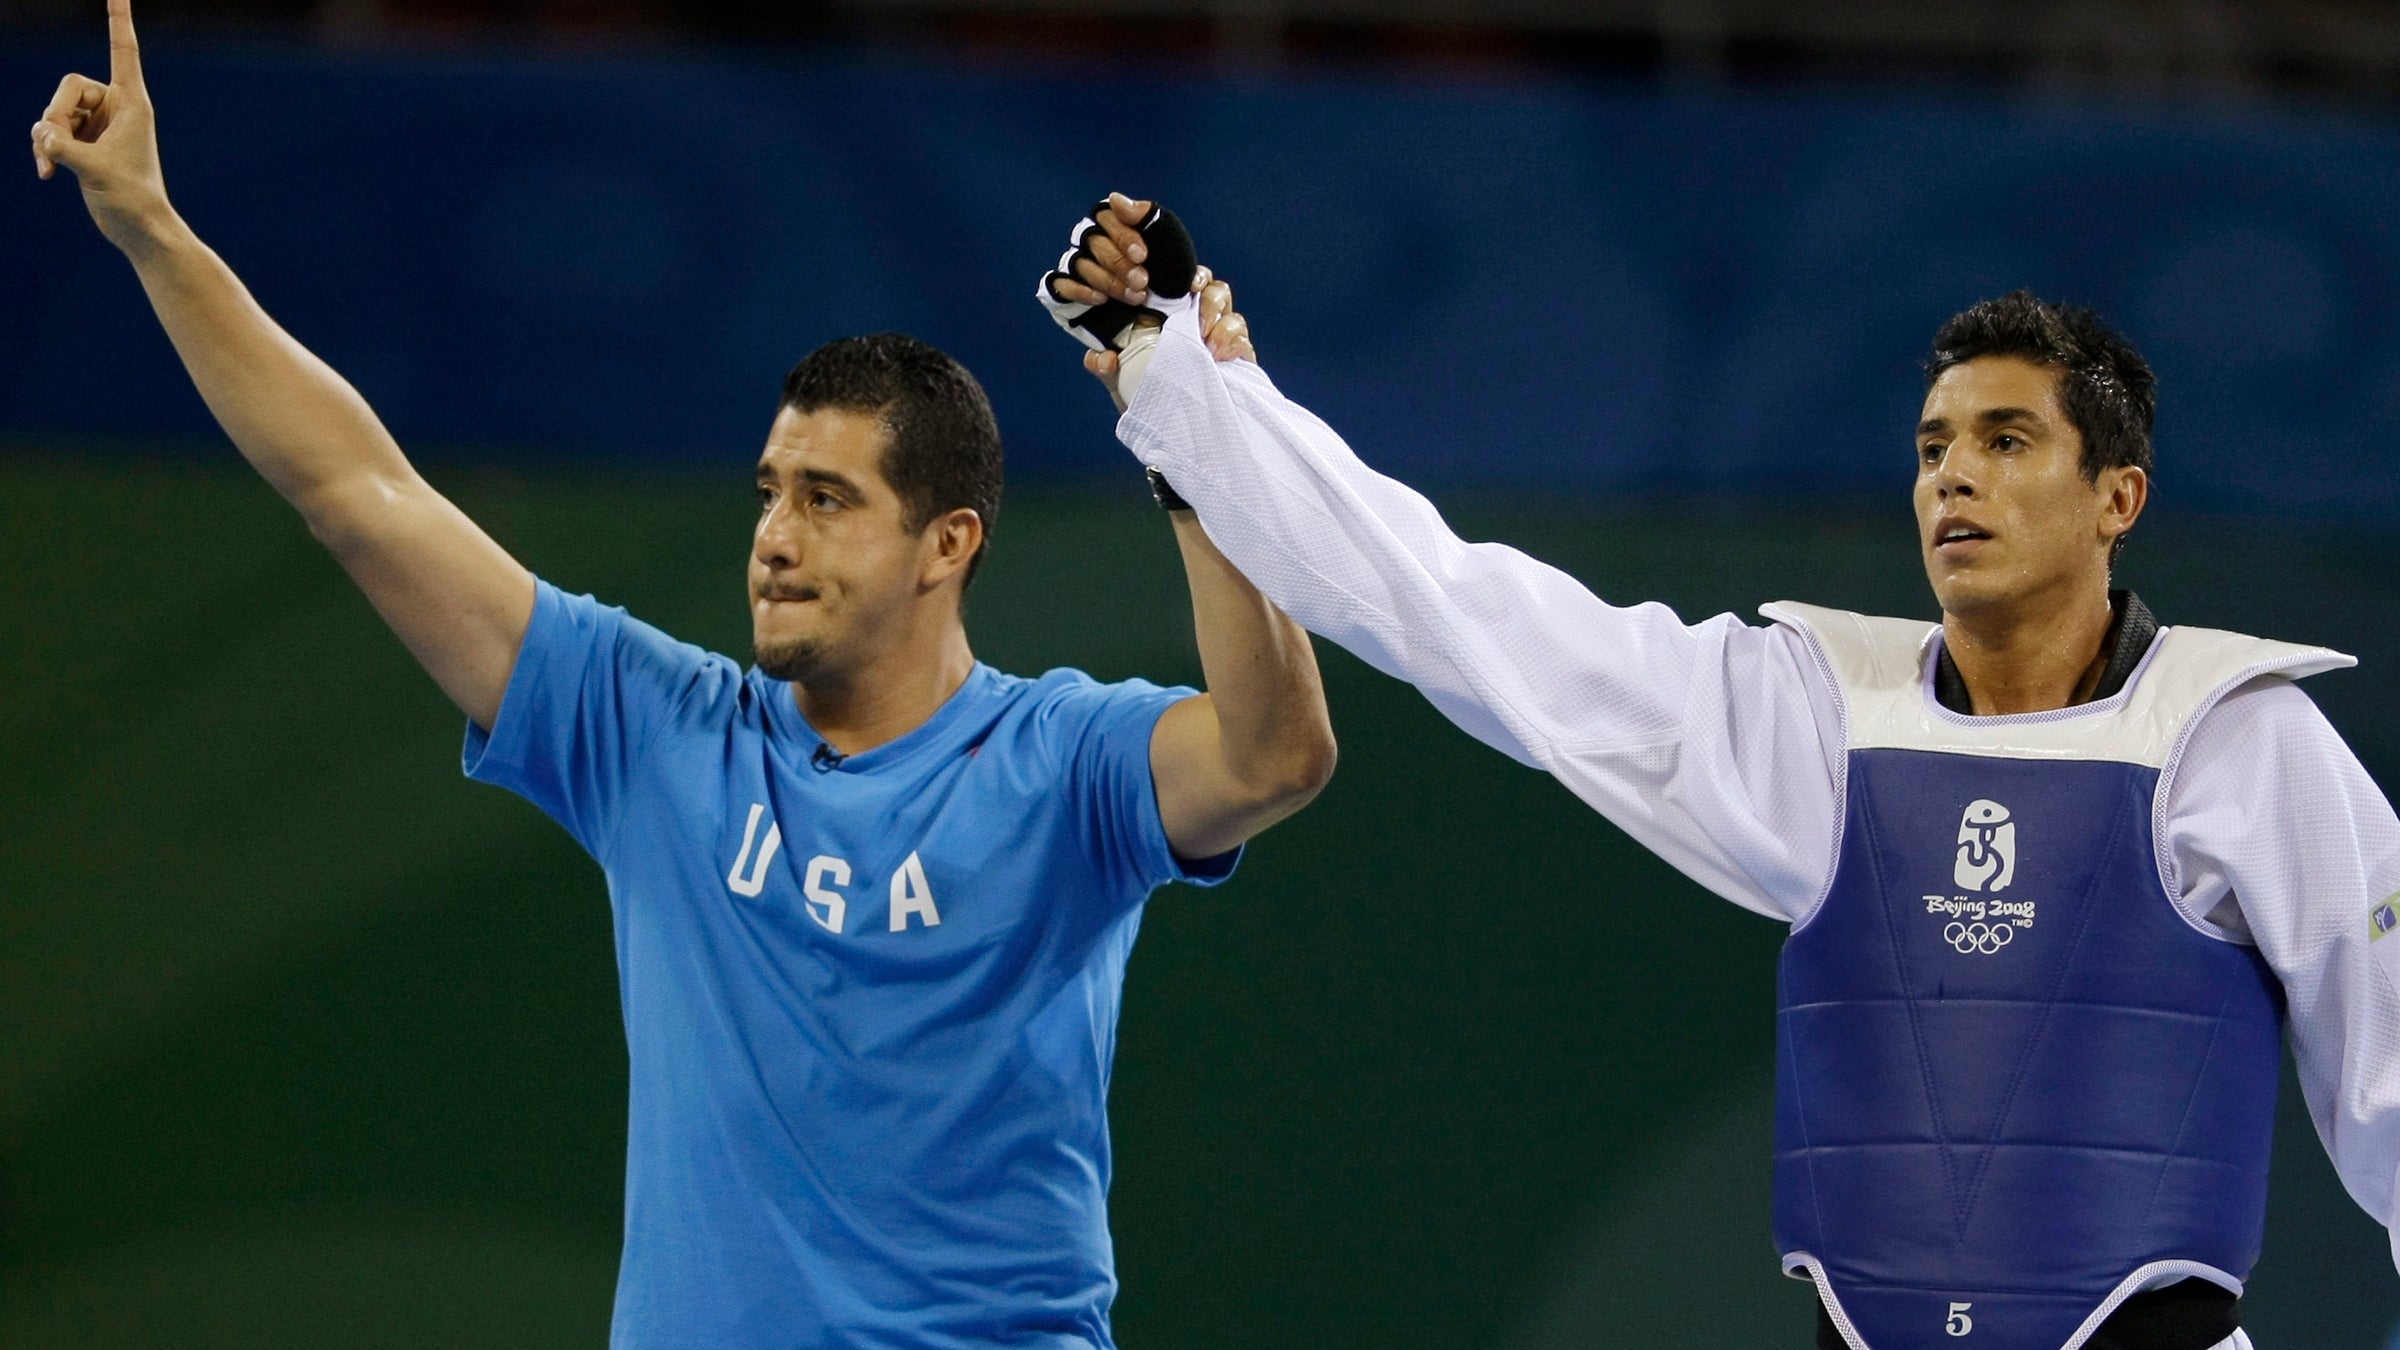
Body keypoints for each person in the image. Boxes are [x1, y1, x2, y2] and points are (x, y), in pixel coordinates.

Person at [27, 12, 1339, 1346]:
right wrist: (153, 231)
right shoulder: (649, 728)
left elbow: (1273, 754)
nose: (774, 535)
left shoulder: (1059, 761)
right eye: (773, 493)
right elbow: (356, 488)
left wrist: (1201, 447)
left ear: (949, 544)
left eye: (829, 499)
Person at [1042, 196, 2400, 1350]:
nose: (1952, 480)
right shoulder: (1820, 717)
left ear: (2120, 498)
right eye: (1932, 447)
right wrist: (1191, 389)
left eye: (2006, 442)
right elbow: (1456, 607)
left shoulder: (2238, 739)